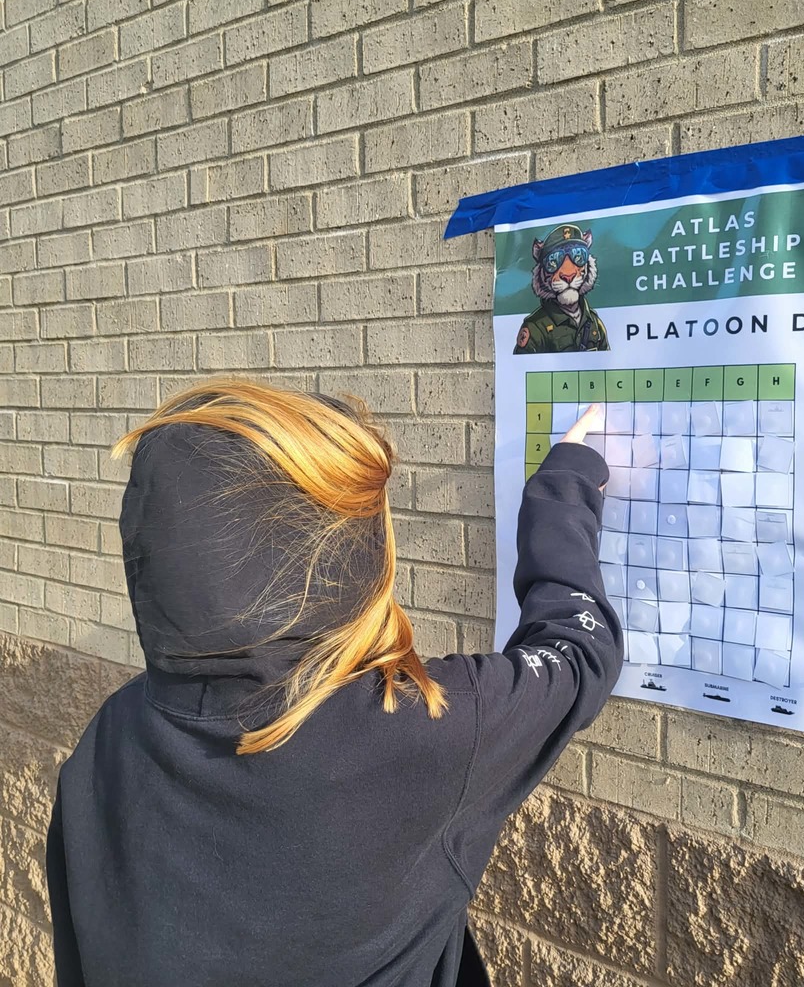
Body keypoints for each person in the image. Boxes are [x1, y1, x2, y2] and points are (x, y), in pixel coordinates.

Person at [45, 378, 622, 987]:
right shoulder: (417, 732)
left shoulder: (106, 739)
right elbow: (579, 653)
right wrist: (565, 486)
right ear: (340, 557)